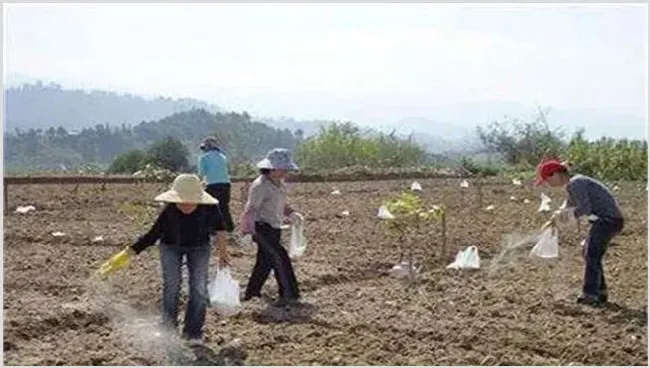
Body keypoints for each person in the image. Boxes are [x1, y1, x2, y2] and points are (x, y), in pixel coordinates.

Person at [124, 173, 231, 346]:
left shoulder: (210, 208)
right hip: (170, 246)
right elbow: (153, 234)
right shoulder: (169, 210)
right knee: (172, 285)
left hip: (199, 247)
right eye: (182, 201)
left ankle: (193, 331)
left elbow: (220, 229)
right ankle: (168, 327)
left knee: (198, 288)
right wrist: (131, 251)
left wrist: (223, 253)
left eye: (190, 201)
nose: (185, 205)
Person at [535, 158, 624, 307]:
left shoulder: (576, 183)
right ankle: (600, 292)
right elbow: (569, 205)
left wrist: (564, 216)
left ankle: (590, 294)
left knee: (591, 254)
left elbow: (584, 208)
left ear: (555, 174)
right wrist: (554, 219)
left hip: (607, 220)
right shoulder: (573, 184)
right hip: (606, 221)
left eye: (547, 180)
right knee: (589, 253)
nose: (548, 184)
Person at [239, 148, 301, 307]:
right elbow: (251, 209)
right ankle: (289, 294)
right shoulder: (260, 185)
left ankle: (251, 293)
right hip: (261, 228)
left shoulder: (279, 184)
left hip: (275, 227)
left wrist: (292, 213)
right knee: (280, 257)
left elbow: (281, 205)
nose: (286, 172)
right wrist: (247, 230)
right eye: (283, 168)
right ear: (272, 168)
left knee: (264, 262)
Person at [198, 136, 235, 233]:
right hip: (226, 184)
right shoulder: (223, 157)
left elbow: (201, 174)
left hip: (212, 185)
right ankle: (229, 228)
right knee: (224, 207)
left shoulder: (204, 158)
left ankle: (212, 229)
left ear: (207, 147)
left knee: (210, 206)